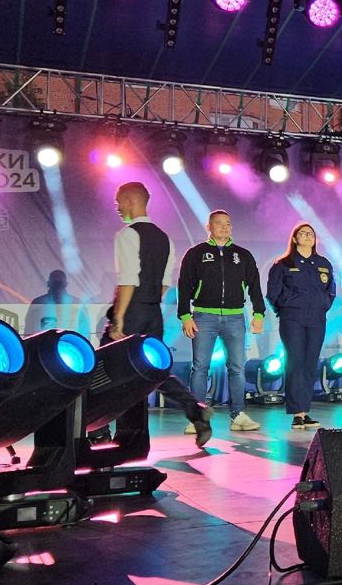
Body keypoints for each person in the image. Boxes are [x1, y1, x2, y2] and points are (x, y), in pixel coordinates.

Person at [103, 181, 212, 447]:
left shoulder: (128, 235)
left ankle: (97, 429)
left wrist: (119, 318)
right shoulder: (164, 238)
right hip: (153, 312)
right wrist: (148, 305)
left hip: (132, 311)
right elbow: (164, 283)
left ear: (130, 200)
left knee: (102, 367)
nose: (117, 206)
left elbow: (128, 280)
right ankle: (195, 410)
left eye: (119, 201)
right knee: (151, 370)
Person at [177, 209, 267, 433]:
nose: (225, 227)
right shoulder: (195, 253)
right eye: (219, 223)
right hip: (203, 316)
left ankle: (238, 415)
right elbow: (184, 284)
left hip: (235, 317)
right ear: (209, 227)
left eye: (228, 223)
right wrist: (185, 315)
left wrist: (258, 313)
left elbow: (254, 285)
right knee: (200, 367)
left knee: (237, 367)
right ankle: (198, 418)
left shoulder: (242, 255)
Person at [266, 223, 337, 429]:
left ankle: (305, 411)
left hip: (316, 318)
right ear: (295, 238)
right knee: (296, 362)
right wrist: (286, 307)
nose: (307, 236)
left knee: (310, 363)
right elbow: (273, 293)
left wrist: (322, 305)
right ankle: (297, 413)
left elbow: (331, 291)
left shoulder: (323, 263)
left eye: (311, 234)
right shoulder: (283, 264)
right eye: (303, 234)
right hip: (292, 318)